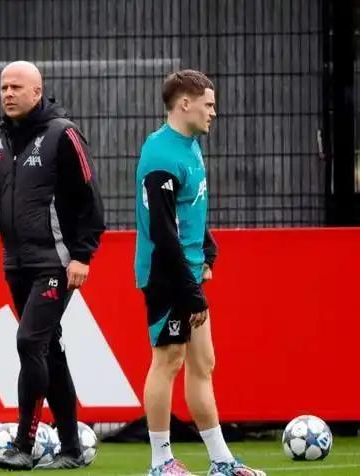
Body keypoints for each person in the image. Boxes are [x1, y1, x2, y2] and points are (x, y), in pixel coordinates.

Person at [0, 61, 105, 470]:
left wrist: (83, 255)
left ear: (37, 92)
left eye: (16, 87)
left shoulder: (62, 134)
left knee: (29, 342)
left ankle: (23, 444)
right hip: (16, 263)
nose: (8, 94)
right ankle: (71, 451)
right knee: (48, 349)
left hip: (55, 262)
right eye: (4, 87)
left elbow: (90, 200)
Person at [134, 70, 266, 476]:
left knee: (203, 363)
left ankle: (221, 461)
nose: (214, 112)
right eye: (208, 104)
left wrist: (207, 245)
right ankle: (160, 462)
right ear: (185, 104)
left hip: (189, 272)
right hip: (167, 273)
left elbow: (187, 209)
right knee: (168, 360)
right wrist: (189, 291)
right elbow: (162, 231)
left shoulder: (189, 146)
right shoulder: (161, 154)